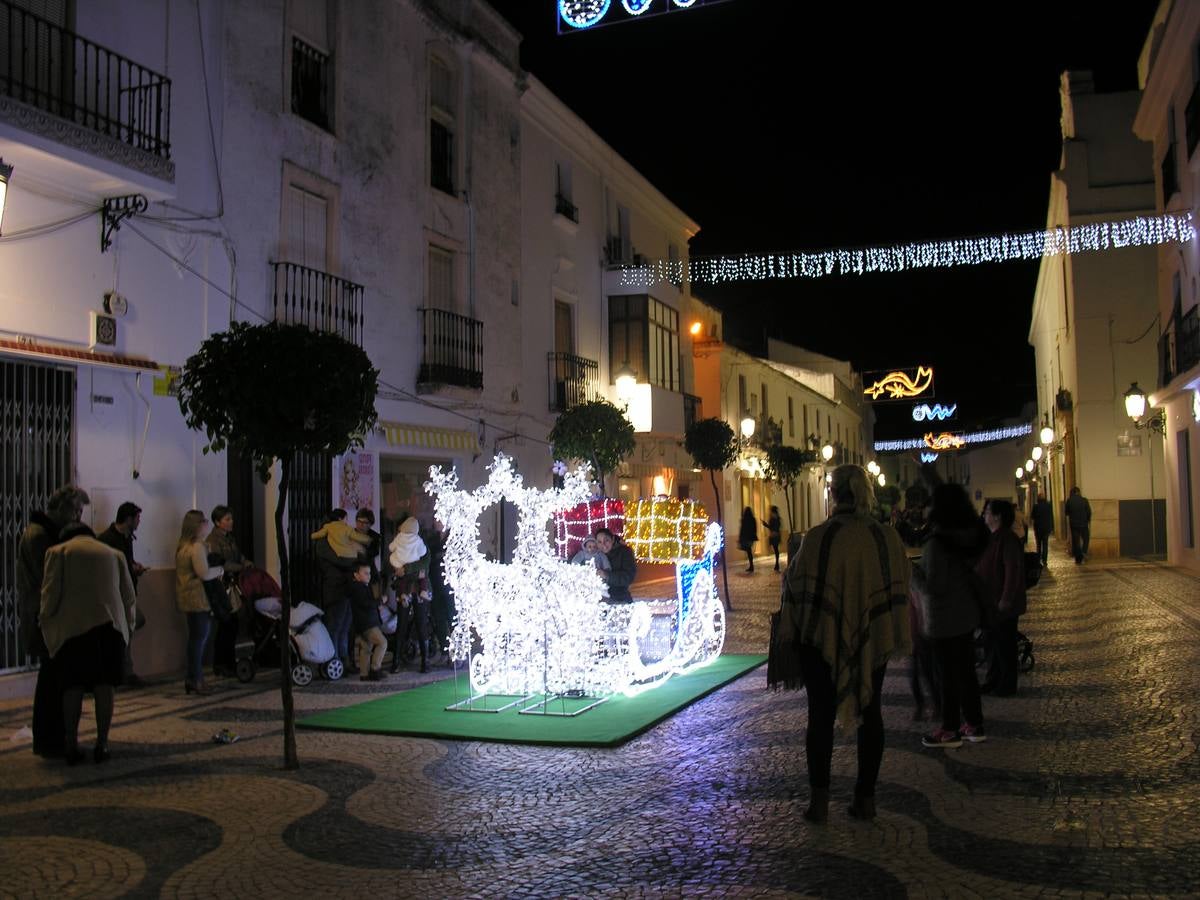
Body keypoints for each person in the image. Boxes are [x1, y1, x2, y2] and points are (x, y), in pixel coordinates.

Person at [772, 465, 911, 822]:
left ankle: (818, 803)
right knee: (871, 711)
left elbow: (795, 586)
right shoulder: (886, 538)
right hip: (873, 636)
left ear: (833, 493)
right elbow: (901, 582)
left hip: (820, 638)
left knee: (819, 715)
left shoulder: (817, 538)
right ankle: (866, 799)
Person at [39, 522, 136, 764]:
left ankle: (71, 744)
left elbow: (50, 593)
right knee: (105, 686)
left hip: (73, 630)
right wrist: (128, 628)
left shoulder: (58, 552)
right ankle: (102, 744)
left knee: (72, 686)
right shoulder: (114, 554)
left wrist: (45, 622)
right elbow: (128, 596)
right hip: (109, 628)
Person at [915, 483, 989, 749]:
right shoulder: (967, 538)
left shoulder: (938, 543)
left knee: (946, 675)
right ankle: (974, 724)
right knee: (966, 672)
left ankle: (949, 730)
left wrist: (914, 574)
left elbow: (935, 587)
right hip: (965, 614)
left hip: (944, 619)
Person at [17, 485, 89, 757]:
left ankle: (53, 738)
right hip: (44, 616)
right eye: (76, 510)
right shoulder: (39, 535)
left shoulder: (45, 533)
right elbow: (49, 577)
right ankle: (49, 740)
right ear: (61, 509)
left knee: (54, 678)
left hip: (47, 613)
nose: (79, 517)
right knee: (52, 681)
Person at [977, 499, 1027, 697]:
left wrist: (1006, 599)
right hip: (990, 603)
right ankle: (993, 680)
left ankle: (1007, 684)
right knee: (991, 643)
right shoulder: (992, 538)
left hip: (1002, 604)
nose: (984, 514)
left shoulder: (1007, 539)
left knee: (1005, 645)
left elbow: (1012, 570)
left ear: (997, 516)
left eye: (988, 511)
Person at [97, 502, 149, 688]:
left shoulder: (127, 538)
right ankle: (122, 671)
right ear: (128, 519)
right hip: (115, 594)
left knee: (131, 627)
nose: (139, 521)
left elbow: (126, 562)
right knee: (124, 630)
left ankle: (125, 671)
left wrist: (134, 567)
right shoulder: (107, 539)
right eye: (137, 518)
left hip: (128, 592)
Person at [175, 510, 224, 695]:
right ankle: (196, 679)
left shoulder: (183, 547)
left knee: (195, 639)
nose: (206, 524)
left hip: (187, 597)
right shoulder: (196, 547)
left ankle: (192, 678)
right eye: (204, 521)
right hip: (198, 598)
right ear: (197, 525)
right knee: (199, 640)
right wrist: (220, 570)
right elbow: (203, 573)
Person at [206, 505, 249, 678]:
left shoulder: (230, 538)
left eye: (231, 518)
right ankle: (221, 663)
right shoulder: (213, 541)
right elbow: (220, 563)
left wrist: (245, 562)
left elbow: (238, 555)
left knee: (233, 624)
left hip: (232, 584)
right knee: (225, 624)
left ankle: (229, 661)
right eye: (227, 519)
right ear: (217, 522)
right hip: (221, 585)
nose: (231, 522)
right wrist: (240, 567)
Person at [348, 562, 388, 681]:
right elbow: (366, 604)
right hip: (368, 623)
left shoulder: (359, 587)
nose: (368, 576)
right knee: (382, 643)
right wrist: (380, 601)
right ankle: (375, 669)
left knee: (366, 647)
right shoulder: (359, 588)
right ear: (356, 575)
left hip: (362, 623)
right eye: (365, 573)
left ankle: (364, 673)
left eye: (369, 573)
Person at [595, 527, 636, 603]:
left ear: (613, 539)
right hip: (598, 598)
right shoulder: (595, 555)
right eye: (599, 542)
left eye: (606, 540)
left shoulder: (624, 552)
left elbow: (628, 576)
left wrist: (607, 576)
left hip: (619, 598)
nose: (603, 544)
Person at [353, 508, 383, 599]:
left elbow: (374, 552)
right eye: (359, 521)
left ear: (370, 524)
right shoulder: (350, 534)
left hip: (370, 570)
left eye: (365, 522)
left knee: (375, 597)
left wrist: (362, 549)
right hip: (354, 571)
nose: (361, 524)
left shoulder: (375, 537)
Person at [1065, 486, 1092, 565]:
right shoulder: (1084, 500)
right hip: (1084, 524)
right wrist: (1088, 520)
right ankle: (1084, 552)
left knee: (1076, 542)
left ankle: (1078, 559)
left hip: (1074, 525)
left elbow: (1066, 512)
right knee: (1086, 539)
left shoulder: (1069, 501)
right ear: (1079, 492)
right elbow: (1089, 512)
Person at [1031, 493, 1054, 567]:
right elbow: (1051, 516)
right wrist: (1051, 527)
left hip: (1038, 528)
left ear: (1038, 499)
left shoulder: (1035, 506)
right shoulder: (1049, 506)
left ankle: (1038, 559)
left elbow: (1032, 517)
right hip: (1046, 528)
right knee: (1045, 544)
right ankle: (1045, 560)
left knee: (1038, 545)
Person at [738, 507, 758, 573]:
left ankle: (751, 566)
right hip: (751, 538)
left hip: (746, 538)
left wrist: (740, 538)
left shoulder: (744, 519)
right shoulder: (753, 519)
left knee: (748, 551)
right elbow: (755, 528)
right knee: (749, 551)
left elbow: (742, 529)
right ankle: (751, 565)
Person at [763, 506, 783, 572]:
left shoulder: (772, 518)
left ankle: (777, 564)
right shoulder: (777, 518)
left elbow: (771, 527)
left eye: (771, 511)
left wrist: (766, 525)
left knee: (776, 549)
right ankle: (777, 564)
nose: (770, 512)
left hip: (774, 536)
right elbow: (776, 527)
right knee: (776, 549)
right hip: (776, 535)